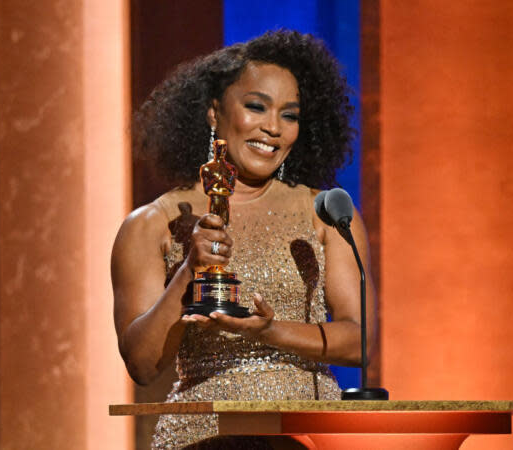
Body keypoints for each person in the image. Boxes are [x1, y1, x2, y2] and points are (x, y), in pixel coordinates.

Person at [111, 30, 377, 449]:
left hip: (308, 435)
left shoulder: (325, 213)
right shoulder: (154, 223)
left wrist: (269, 331)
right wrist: (188, 273)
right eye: (256, 107)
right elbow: (142, 364)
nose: (272, 128)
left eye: (289, 115)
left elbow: (358, 342)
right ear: (215, 112)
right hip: (204, 436)